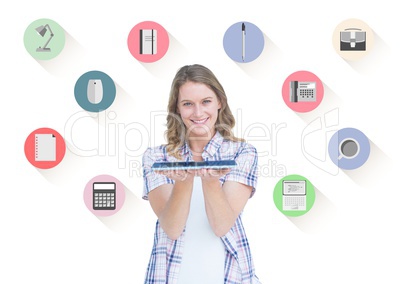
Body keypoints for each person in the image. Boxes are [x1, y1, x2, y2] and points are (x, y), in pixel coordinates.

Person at [142, 64, 260, 284]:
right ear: (177, 109)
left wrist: (211, 182)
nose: (198, 113)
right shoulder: (156, 157)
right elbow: (172, 228)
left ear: (219, 102)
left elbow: (222, 226)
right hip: (168, 277)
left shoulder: (242, 153)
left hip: (229, 276)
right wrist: (183, 183)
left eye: (206, 101)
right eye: (188, 104)